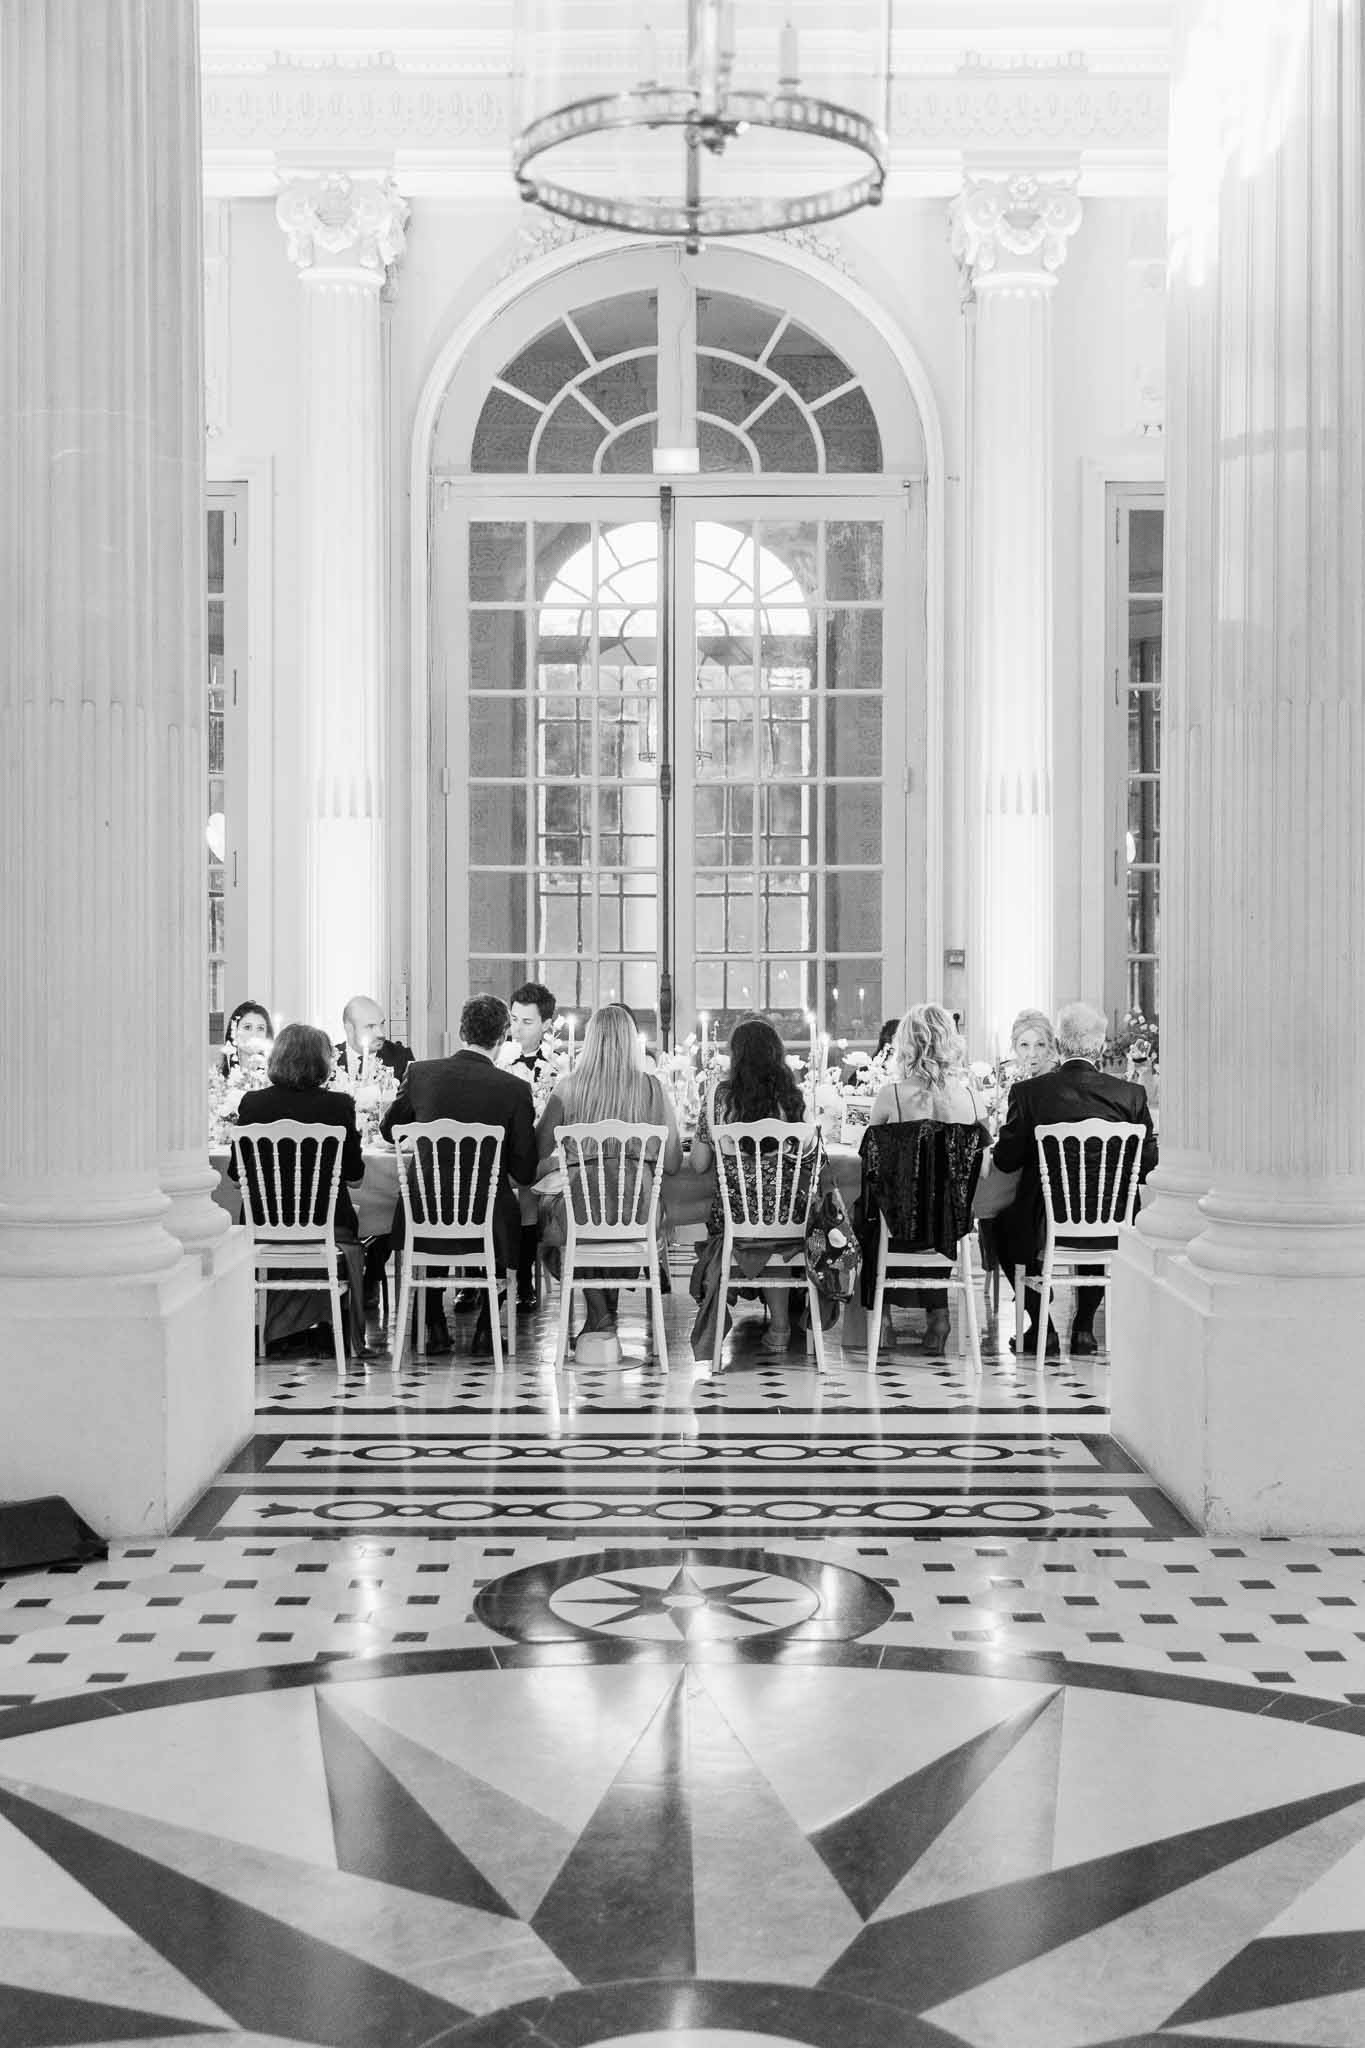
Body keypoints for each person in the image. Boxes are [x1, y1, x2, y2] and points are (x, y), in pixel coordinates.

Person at [989, 999, 1158, 1357]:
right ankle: (1083, 1328)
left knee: (1000, 1224)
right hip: (1113, 1222)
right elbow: (1147, 1165)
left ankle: (1043, 1327)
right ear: (1099, 1046)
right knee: (1099, 1210)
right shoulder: (1130, 1095)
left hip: (1043, 1222)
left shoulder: (1030, 1093)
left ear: (1060, 1045)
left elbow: (1005, 1160)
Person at [379, 995, 538, 1356]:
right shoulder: (514, 1089)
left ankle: (433, 1320)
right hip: (487, 1218)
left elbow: (390, 1130)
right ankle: (486, 1328)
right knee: (507, 1211)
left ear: (463, 1031)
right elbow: (525, 1171)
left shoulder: (420, 1074)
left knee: (436, 1208)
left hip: (425, 1212)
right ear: (502, 1037)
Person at [534, 1004, 681, 1365]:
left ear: (592, 1040)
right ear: (631, 1041)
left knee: (567, 1214)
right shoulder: (651, 1088)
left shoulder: (568, 1087)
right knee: (617, 1213)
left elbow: (536, 1149)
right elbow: (674, 1164)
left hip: (580, 1213)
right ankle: (603, 1315)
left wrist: (572, 1156)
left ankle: (600, 1314)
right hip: (638, 1211)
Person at [228, 1022, 366, 1355]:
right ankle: (335, 1323)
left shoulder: (252, 1103)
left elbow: (236, 1175)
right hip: (327, 1226)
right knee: (372, 1235)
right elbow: (355, 1177)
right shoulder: (338, 1106)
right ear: (321, 1063)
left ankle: (276, 1325)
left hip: (263, 1227)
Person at [688, 1014, 814, 1361]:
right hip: (786, 1214)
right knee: (774, 1224)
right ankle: (780, 1326)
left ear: (736, 1055)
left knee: (749, 1222)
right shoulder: (791, 1097)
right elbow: (805, 1156)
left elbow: (698, 1164)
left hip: (734, 1215)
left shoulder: (718, 1096)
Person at [867, 1004, 990, 1353]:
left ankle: (884, 1319)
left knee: (871, 1210)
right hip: (950, 1224)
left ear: (907, 1044)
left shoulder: (891, 1095)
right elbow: (982, 1167)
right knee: (937, 1207)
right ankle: (938, 1316)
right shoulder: (969, 1097)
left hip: (901, 1220)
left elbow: (870, 1161)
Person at [335, 996, 413, 1086]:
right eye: (370, 1026)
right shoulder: (328, 1060)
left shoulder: (402, 1056)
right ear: (349, 1029)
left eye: (382, 1024)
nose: (381, 1034)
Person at [218, 998, 272, 1082]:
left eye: (260, 1028)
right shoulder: (217, 1078)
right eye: (247, 1027)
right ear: (234, 1032)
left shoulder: (273, 1079)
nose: (254, 1035)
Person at [1008, 1008, 1058, 1080]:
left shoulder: (1062, 1077)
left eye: (1040, 1044)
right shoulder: (1004, 1076)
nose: (1032, 1054)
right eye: (1024, 1045)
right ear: (1015, 1047)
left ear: (1049, 1047)